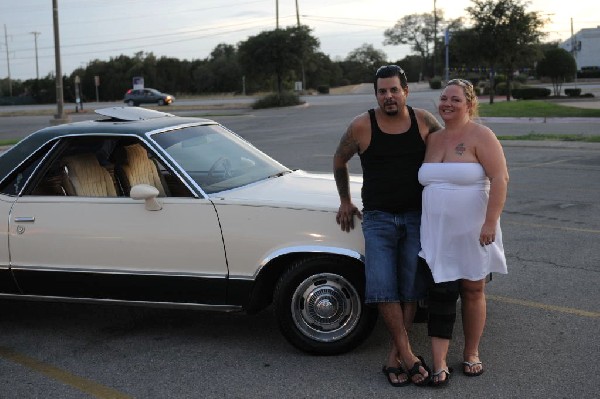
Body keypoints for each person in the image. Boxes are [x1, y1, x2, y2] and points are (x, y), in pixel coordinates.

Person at [333, 65, 442, 387]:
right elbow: (339, 160)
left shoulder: (424, 121)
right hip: (378, 218)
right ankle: (409, 357)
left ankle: (395, 357)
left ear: (405, 91)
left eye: (394, 90)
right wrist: (345, 200)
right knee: (382, 286)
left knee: (410, 288)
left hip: (416, 216)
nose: (389, 96)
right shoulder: (362, 125)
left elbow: (450, 149)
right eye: (382, 91)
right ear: (376, 94)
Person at [418, 79, 509, 387]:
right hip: (438, 232)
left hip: (474, 229)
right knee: (439, 293)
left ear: (470, 104)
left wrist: (489, 223)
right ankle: (439, 361)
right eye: (444, 98)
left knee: (472, 291)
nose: (447, 104)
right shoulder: (433, 138)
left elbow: (500, 178)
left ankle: (471, 353)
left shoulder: (482, 135)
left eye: (455, 99)